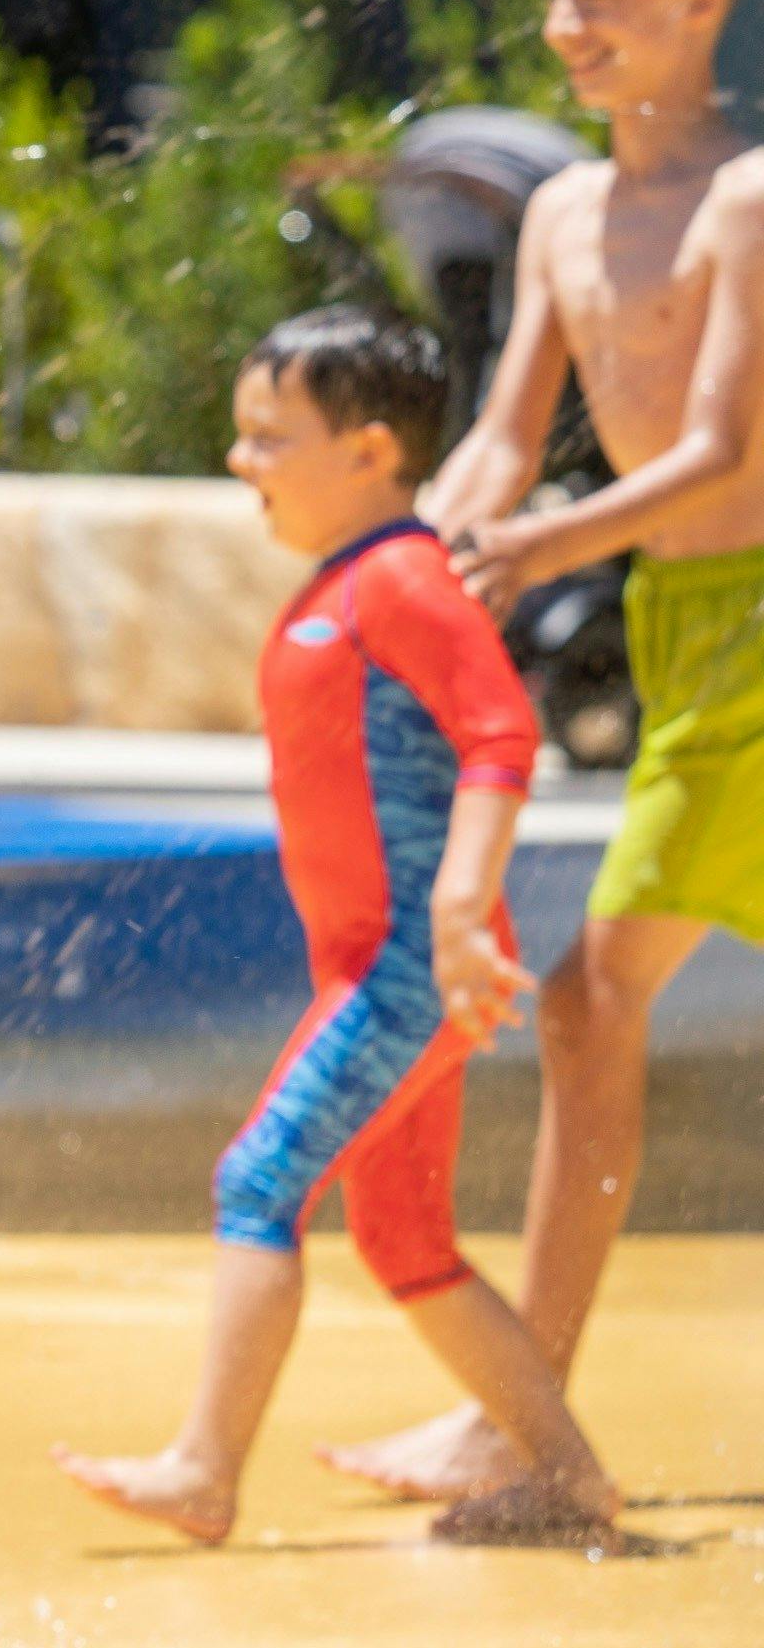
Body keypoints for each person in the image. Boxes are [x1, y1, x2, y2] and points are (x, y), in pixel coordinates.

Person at [325, 0, 764, 1503]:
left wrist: (545, 541)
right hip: (686, 630)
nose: (568, 27)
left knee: (588, 1004)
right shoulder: (570, 208)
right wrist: (405, 549)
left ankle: (523, 1424)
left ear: (705, 3)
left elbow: (724, 450)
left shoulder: (750, 195)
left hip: (755, 633)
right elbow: (509, 434)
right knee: (595, 1009)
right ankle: (519, 1412)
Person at [55, 310, 620, 1545]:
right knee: (404, 1233)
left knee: (260, 1178)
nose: (241, 459)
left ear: (369, 452)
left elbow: (501, 735)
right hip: (384, 967)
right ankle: (569, 1476)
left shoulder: (403, 581)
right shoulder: (346, 588)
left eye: (269, 437)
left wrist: (464, 905)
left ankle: (205, 1466)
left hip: (409, 972)